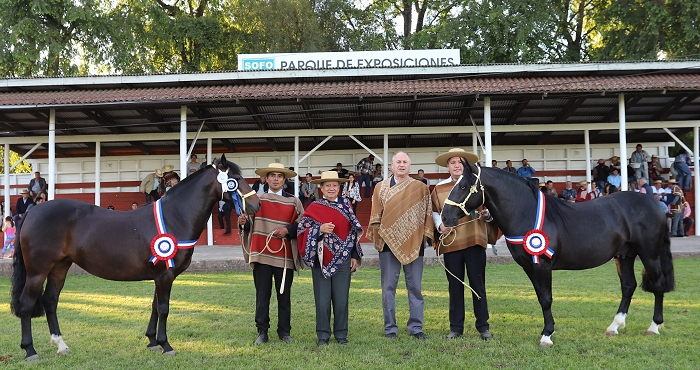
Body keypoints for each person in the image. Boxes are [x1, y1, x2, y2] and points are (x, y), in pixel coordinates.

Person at [431, 148, 497, 341]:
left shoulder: (478, 185)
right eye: (452, 162)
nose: (457, 165)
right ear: (447, 166)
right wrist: (440, 225)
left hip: (475, 239)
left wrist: (488, 214)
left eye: (460, 162)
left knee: (478, 285)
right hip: (452, 243)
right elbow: (435, 211)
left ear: (466, 165)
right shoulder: (439, 189)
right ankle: (456, 327)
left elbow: (490, 208)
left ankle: (483, 326)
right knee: (455, 286)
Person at [367, 152, 434, 340]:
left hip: (414, 242)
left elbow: (427, 213)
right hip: (388, 243)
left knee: (415, 288)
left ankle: (416, 327)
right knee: (388, 287)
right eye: (398, 162)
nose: (402, 165)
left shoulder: (421, 188)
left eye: (405, 162)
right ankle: (390, 328)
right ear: (392, 166)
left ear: (410, 166)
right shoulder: (381, 187)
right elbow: (375, 214)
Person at [238, 163, 304, 345]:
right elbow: (249, 225)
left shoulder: (294, 201)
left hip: (284, 256)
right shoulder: (256, 200)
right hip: (261, 254)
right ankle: (262, 331)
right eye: (272, 175)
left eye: (280, 176)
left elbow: (302, 223)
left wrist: (288, 230)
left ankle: (284, 332)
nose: (276, 179)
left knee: (284, 296)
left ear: (284, 180)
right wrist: (243, 222)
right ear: (265, 179)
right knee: (262, 295)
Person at [297, 171, 363, 346]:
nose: (331, 188)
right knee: (322, 300)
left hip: (343, 260)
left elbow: (354, 232)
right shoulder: (314, 207)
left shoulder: (346, 205)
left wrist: (355, 256)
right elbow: (301, 229)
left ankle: (341, 334)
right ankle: (323, 335)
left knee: (341, 299)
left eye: (334, 185)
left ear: (339, 188)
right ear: (321, 188)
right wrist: (319, 229)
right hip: (320, 260)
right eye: (327, 185)